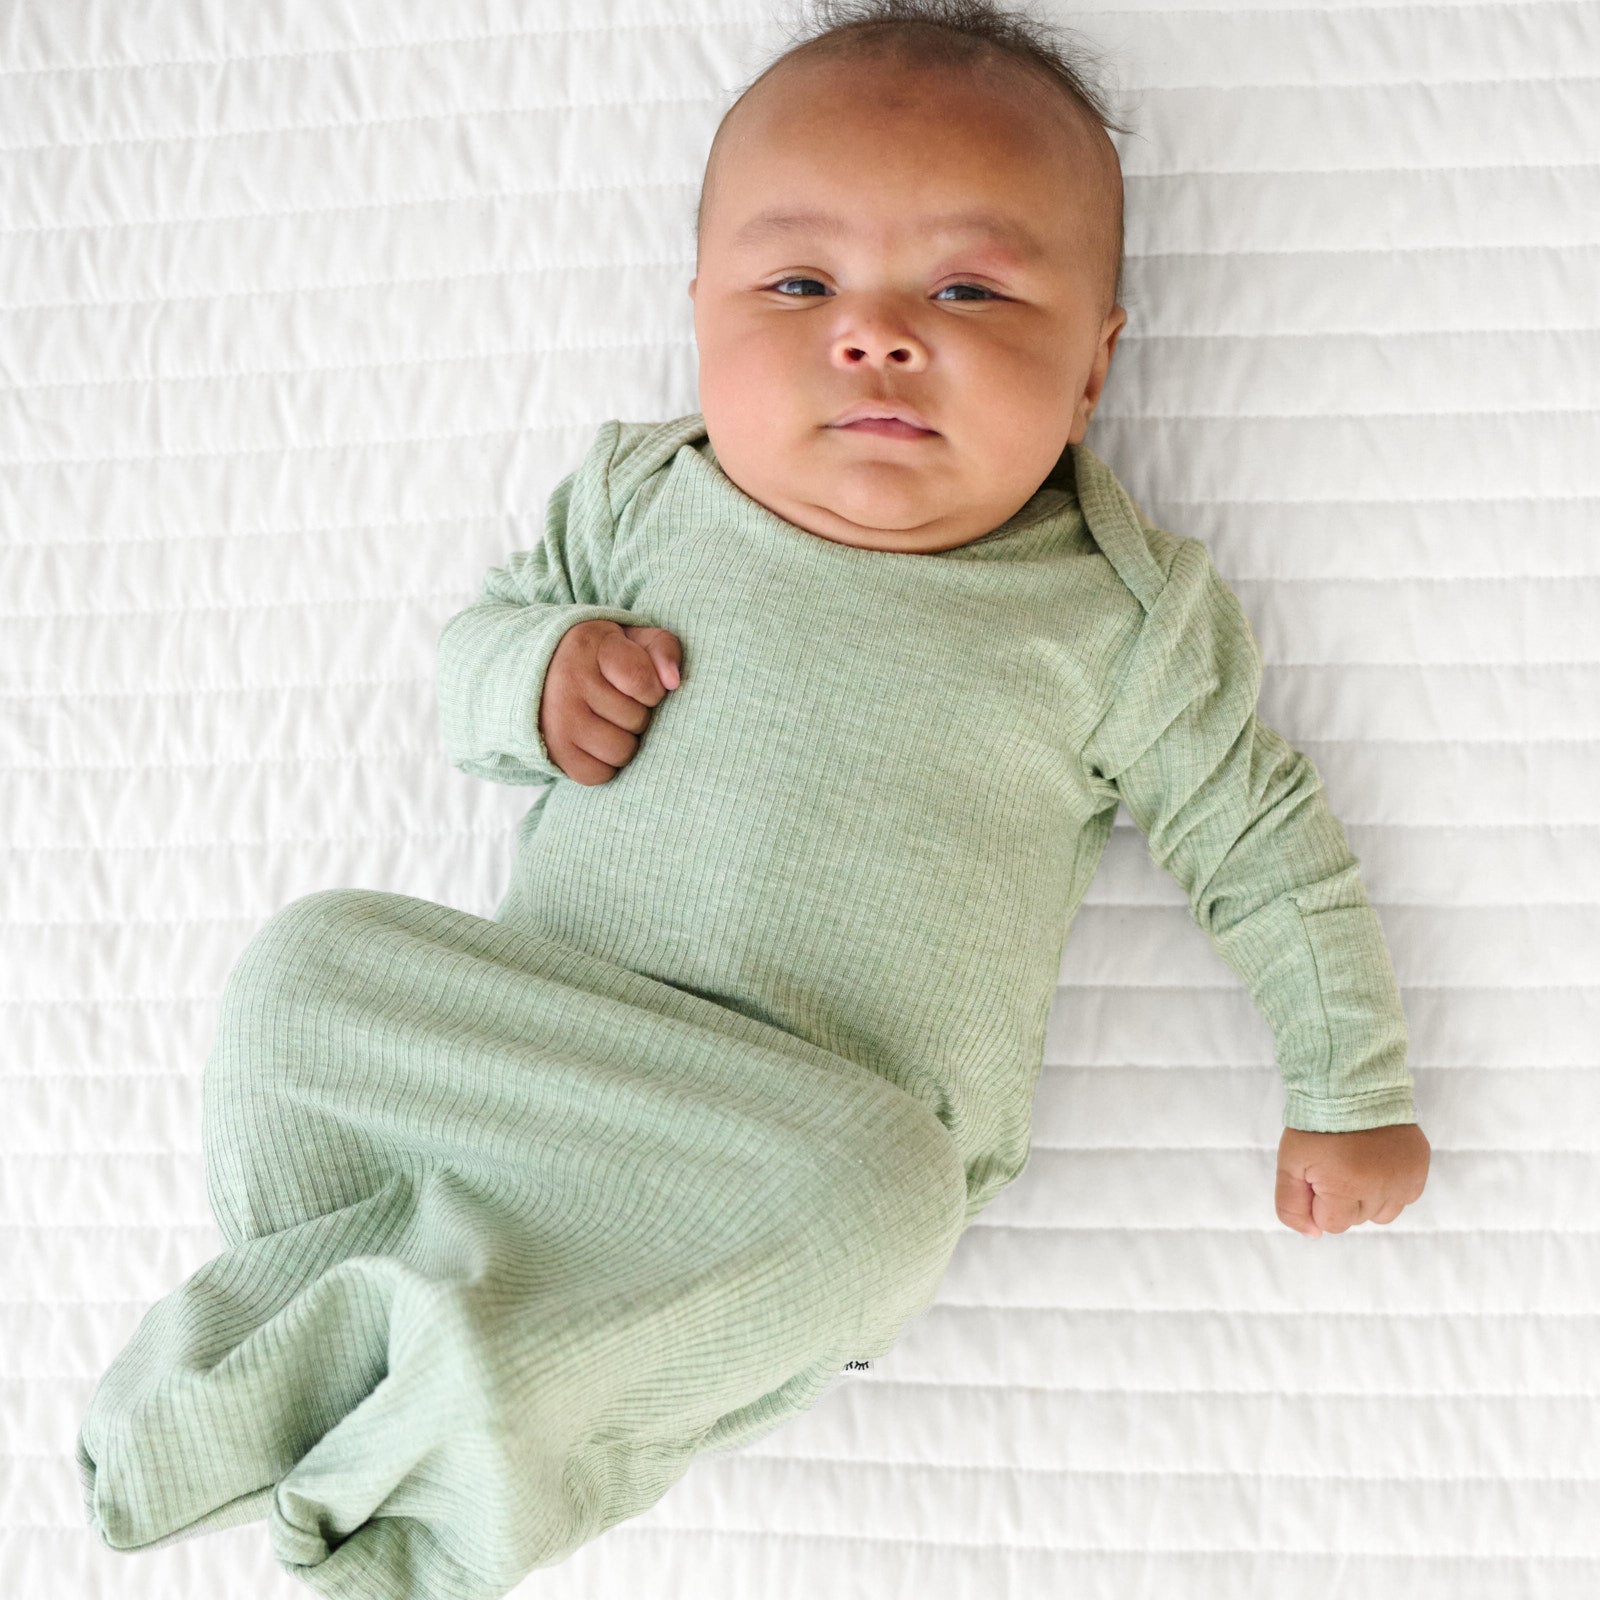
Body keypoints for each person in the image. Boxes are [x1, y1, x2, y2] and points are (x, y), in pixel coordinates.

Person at [77, 4, 1430, 1595]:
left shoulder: (1113, 616)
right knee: (310, 969)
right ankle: (336, 1323)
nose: (875, 333)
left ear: (1095, 365)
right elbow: (469, 672)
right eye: (799, 284)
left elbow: (1266, 849)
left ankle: (429, 1483)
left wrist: (1351, 1082)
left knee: (888, 1202)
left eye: (970, 289)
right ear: (701, 313)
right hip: (547, 1055)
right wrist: (538, 671)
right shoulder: (649, 499)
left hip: (795, 1152)